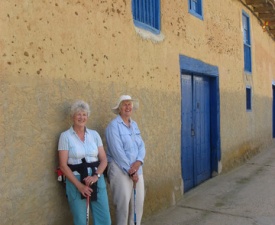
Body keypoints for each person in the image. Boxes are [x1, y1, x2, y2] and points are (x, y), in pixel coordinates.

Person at [58, 100, 111, 225]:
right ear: (72, 116)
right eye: (78, 114)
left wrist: (96, 176)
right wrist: (79, 186)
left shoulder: (94, 135)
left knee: (104, 219)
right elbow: (63, 165)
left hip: (96, 179)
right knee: (81, 220)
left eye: (84, 114)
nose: (82, 117)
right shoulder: (65, 136)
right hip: (76, 180)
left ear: (88, 116)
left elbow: (104, 160)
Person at [105, 95, 146, 225]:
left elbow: (141, 146)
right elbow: (117, 152)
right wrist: (131, 171)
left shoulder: (134, 125)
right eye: (124, 104)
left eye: (130, 104)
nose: (128, 107)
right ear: (119, 108)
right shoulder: (113, 126)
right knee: (122, 207)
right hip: (120, 170)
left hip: (136, 169)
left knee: (138, 204)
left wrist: (138, 162)